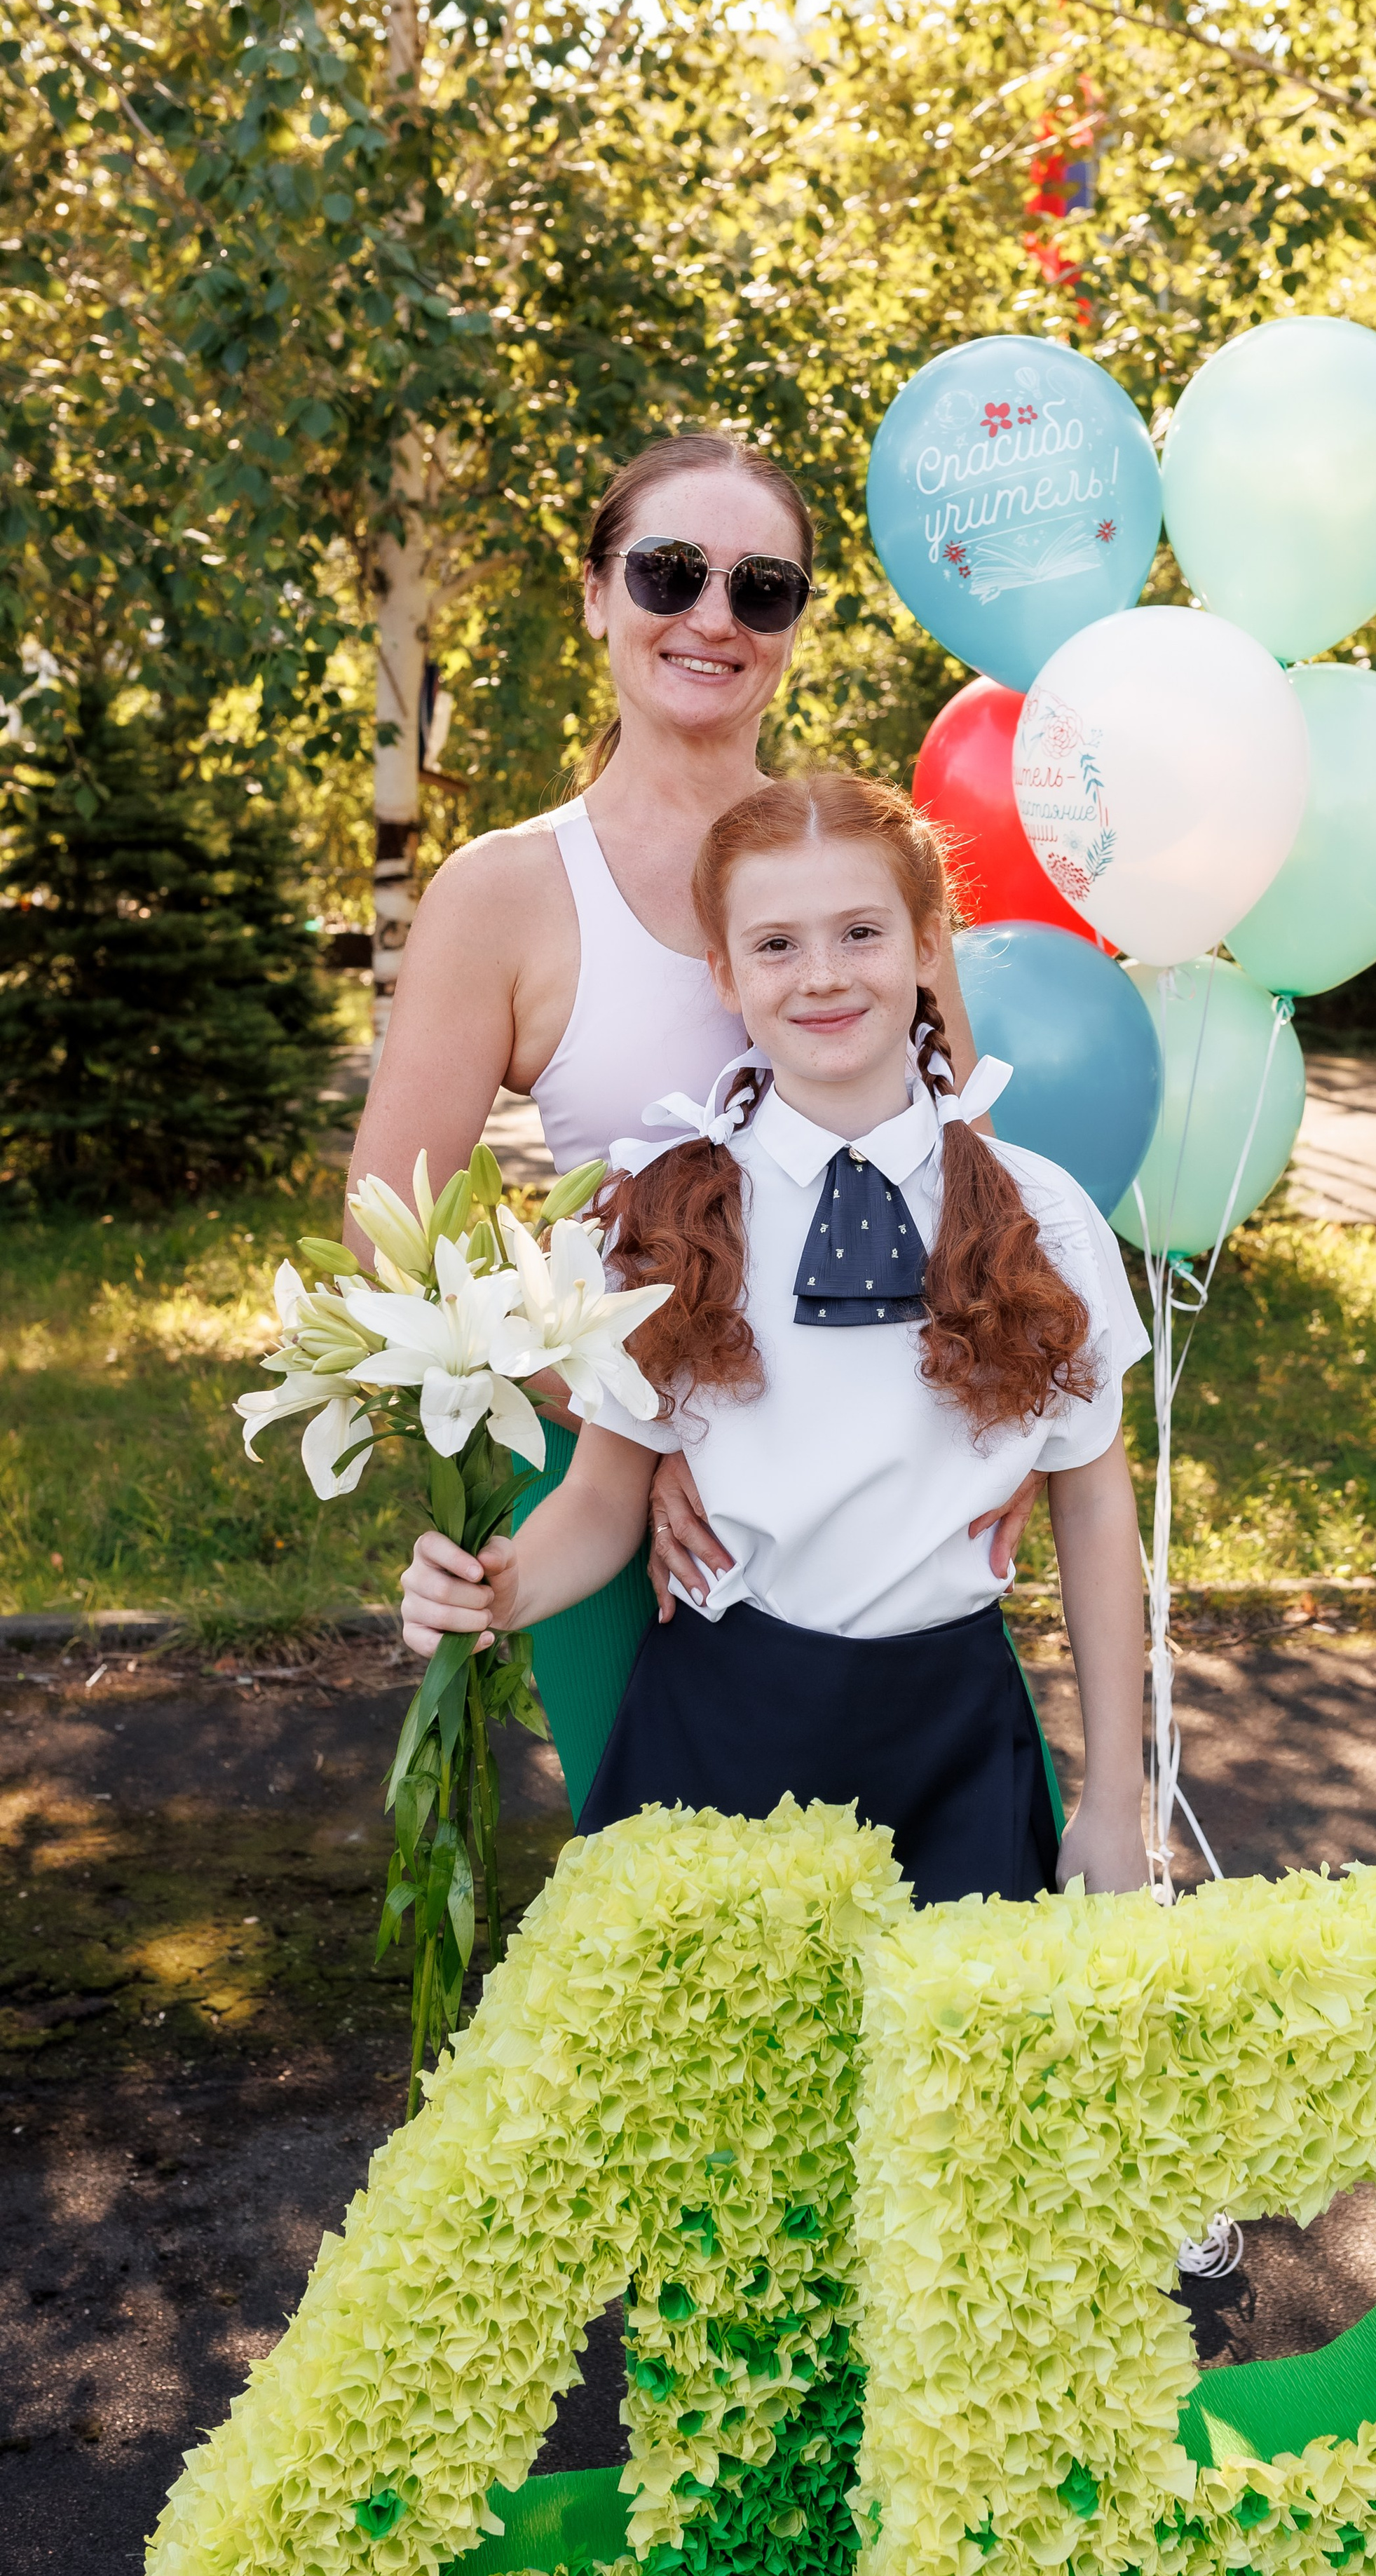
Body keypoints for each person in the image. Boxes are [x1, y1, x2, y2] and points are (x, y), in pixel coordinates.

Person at [346, 433, 1035, 1817]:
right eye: (670, 572)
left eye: (761, 587)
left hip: (879, 1481)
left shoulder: (866, 873)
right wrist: (644, 1431)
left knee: (939, 1913)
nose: (712, 616)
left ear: (792, 625)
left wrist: (1006, 1438)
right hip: (617, 1482)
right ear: (597, 595)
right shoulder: (506, 893)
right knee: (671, 1913)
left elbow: (968, 1194)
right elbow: (390, 1244)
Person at [397, 773, 1150, 1900]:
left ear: (928, 944)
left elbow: (1093, 1507)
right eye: (778, 945)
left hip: (955, 1736)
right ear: (726, 975)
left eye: (861, 932)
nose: (825, 975)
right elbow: (606, 1500)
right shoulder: (665, 1222)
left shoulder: (1044, 1218)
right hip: (714, 1734)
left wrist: (1115, 1805)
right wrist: (496, 1590)